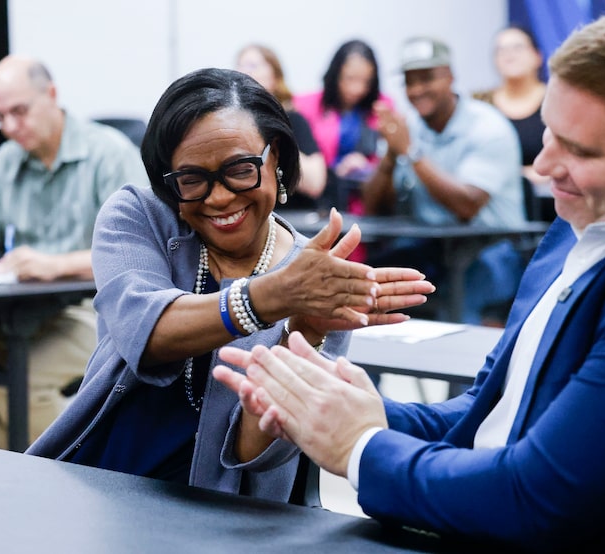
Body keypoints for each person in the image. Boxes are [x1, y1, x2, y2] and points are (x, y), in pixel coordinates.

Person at [214, 8, 605, 550]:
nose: (543, 167)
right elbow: (491, 416)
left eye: (577, 149)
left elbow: (539, 497)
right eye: (548, 133)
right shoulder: (593, 214)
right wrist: (364, 411)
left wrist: (359, 446)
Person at [26, 68, 433, 502]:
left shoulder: (312, 276)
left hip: (222, 510)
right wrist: (274, 296)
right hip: (102, 484)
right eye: (192, 179)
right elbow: (144, 332)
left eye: (240, 170)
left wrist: (305, 333)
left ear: (275, 157)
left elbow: (252, 456)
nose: (218, 197)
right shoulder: (139, 216)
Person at [0, 55, 148, 443]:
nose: (10, 127)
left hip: (92, 308)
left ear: (51, 95)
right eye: (0, 117)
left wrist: (56, 265)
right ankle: (17, 468)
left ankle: (71, 471)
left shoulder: (108, 154)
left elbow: (142, 253)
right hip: (18, 310)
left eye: (19, 111)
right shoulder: (4, 160)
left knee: (18, 383)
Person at [362, 36, 524, 324]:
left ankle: (466, 369)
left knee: (459, 296)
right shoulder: (405, 126)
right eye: (409, 82)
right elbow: (373, 208)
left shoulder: (488, 127)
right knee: (366, 286)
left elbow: (467, 205)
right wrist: (389, 158)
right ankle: (367, 369)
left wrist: (411, 152)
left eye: (426, 79)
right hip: (431, 250)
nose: (417, 90)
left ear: (449, 76)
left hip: (492, 250)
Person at [293, 39, 394, 216]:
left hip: (365, 203)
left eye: (366, 81)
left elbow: (391, 157)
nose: (358, 89)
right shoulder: (305, 105)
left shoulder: (383, 108)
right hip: (319, 202)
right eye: (350, 78)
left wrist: (367, 165)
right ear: (335, 74)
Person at [236, 44, 328, 210]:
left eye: (252, 65)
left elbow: (315, 183)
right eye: (239, 66)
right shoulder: (231, 127)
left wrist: (270, 135)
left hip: (295, 218)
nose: (244, 72)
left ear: (275, 77)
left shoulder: (293, 119)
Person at [473, 24, 548, 189]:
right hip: (488, 197)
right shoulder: (478, 103)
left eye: (518, 47)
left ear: (538, 56)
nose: (509, 55)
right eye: (501, 50)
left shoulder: (557, 101)